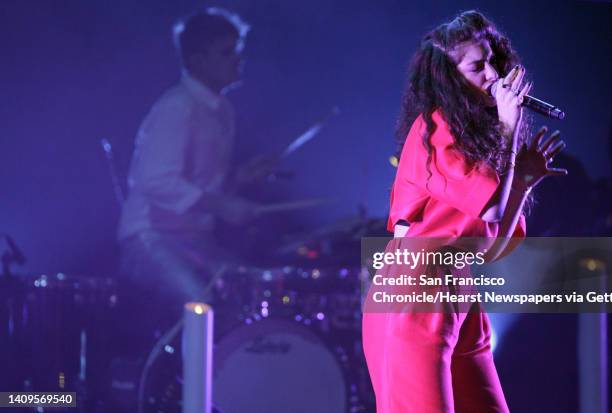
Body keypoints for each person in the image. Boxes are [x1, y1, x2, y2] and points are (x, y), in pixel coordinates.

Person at [362, 11, 567, 412]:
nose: (492, 74)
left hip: (458, 288)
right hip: (414, 289)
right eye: (477, 66)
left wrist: (522, 182)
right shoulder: (434, 129)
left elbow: (492, 248)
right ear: (449, 77)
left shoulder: (478, 141)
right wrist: (509, 131)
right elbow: (490, 206)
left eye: (493, 61)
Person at [117, 8, 266, 312]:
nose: (239, 59)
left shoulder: (223, 111)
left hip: (195, 239)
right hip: (151, 238)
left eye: (238, 50)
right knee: (200, 303)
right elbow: (155, 181)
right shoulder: (177, 108)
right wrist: (221, 205)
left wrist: (239, 178)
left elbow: (202, 186)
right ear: (197, 60)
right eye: (227, 52)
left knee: (251, 289)